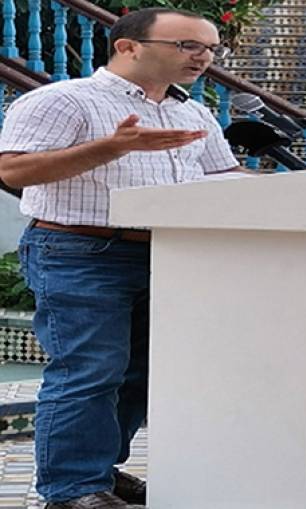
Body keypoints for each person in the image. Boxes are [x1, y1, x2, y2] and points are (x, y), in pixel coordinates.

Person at [0, 8, 241, 508]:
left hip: (173, 253)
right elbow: (14, 172)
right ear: (128, 46)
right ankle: (72, 491)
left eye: (211, 48)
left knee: (141, 372)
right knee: (91, 369)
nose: (203, 57)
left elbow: (225, 181)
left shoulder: (191, 112)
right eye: (188, 46)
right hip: (80, 250)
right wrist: (109, 148)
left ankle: (99, 470)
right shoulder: (62, 101)